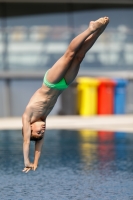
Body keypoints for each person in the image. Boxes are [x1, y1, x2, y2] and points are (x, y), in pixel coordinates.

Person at [22, 16, 109, 173]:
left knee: (69, 55)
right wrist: (36, 163)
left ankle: (91, 28)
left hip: (51, 82)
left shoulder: (27, 116)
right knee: (78, 58)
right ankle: (98, 32)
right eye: (42, 132)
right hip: (63, 84)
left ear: (29, 128)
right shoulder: (43, 120)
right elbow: (39, 145)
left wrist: (27, 161)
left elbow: (27, 142)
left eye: (38, 131)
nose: (42, 130)